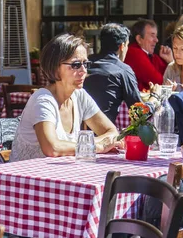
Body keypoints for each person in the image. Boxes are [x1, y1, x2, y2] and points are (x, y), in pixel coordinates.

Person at [10, 34, 121, 162]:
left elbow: (112, 132)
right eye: (76, 65)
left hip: (61, 174)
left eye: (86, 63)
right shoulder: (43, 99)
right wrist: (96, 146)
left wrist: (91, 144)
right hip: (26, 178)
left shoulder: (80, 95)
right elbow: (52, 148)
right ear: (55, 68)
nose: (83, 70)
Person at [83, 23, 141, 123]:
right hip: (104, 131)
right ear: (122, 46)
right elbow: (138, 114)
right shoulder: (123, 70)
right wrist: (155, 98)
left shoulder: (83, 65)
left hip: (78, 128)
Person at [124, 19, 173, 91]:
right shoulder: (134, 53)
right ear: (139, 39)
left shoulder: (152, 56)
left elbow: (171, 78)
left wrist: (170, 61)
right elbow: (160, 81)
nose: (156, 40)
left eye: (156, 36)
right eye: (152, 36)